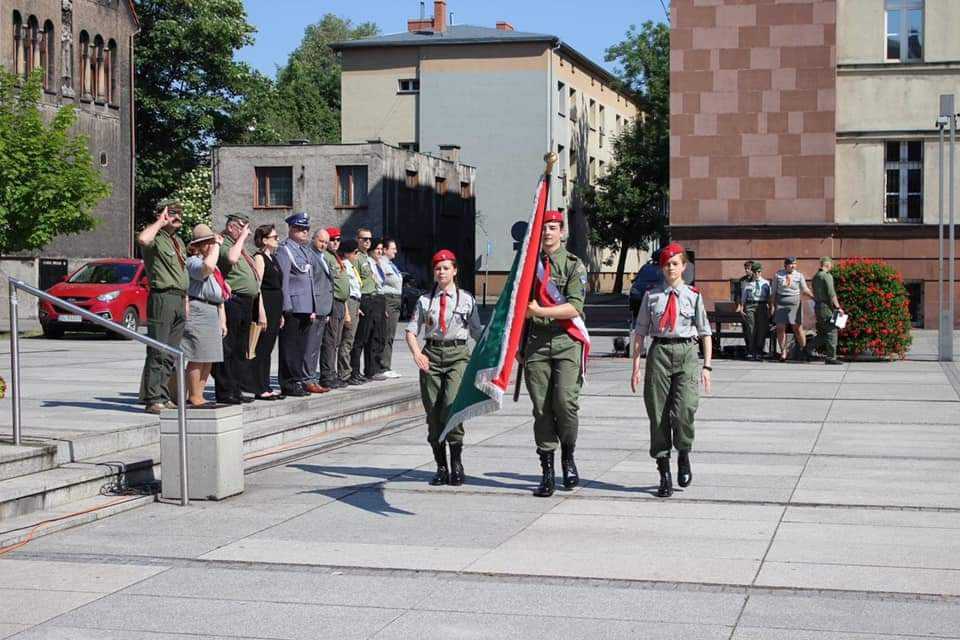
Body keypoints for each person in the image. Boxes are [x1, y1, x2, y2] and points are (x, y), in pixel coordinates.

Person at [631, 242, 713, 498]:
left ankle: (684, 453)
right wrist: (635, 365)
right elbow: (640, 331)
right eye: (667, 264)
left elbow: (705, 332)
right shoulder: (651, 295)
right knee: (658, 414)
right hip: (660, 352)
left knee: (685, 411)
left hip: (687, 352)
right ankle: (663, 471)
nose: (671, 268)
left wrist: (707, 366)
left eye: (675, 264)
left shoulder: (694, 296)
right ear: (661, 267)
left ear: (684, 267)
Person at [523, 210, 589, 498]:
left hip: (566, 341)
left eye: (553, 228)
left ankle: (568, 456)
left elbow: (574, 307)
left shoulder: (575, 266)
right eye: (544, 228)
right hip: (536, 343)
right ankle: (547, 470)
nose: (548, 233)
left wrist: (540, 311)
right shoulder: (528, 266)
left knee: (565, 404)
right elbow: (515, 308)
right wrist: (514, 346)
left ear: (562, 232)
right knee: (541, 409)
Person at [405, 250, 482, 486]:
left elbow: (478, 331)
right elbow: (410, 330)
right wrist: (418, 353)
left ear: (455, 270)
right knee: (434, 412)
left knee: (452, 404)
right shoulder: (424, 300)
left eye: (446, 268)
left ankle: (456, 462)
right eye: (438, 268)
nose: (441, 272)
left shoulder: (466, 299)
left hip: (458, 355)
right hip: (432, 356)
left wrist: (494, 355)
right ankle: (441, 466)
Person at [138, 199, 189, 415]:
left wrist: (185, 302)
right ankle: (153, 398)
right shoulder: (156, 238)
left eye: (179, 214)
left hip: (178, 298)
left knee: (171, 353)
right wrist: (160, 222)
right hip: (162, 297)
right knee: (157, 349)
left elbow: (182, 273)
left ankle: (164, 394)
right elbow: (142, 239)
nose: (178, 218)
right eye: (172, 214)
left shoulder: (177, 241)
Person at [213, 213, 260, 404]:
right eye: (242, 226)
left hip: (246, 302)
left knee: (241, 349)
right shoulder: (225, 243)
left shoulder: (239, 246)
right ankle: (225, 391)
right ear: (231, 227)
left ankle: (237, 388)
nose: (246, 231)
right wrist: (241, 238)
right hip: (233, 301)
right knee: (228, 348)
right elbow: (231, 259)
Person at [276, 213, 324, 396]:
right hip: (293, 306)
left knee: (301, 347)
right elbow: (284, 280)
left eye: (306, 229)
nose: (305, 232)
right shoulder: (285, 249)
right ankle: (289, 383)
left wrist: (312, 307)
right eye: (301, 229)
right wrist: (285, 307)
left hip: (305, 306)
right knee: (290, 347)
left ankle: (298, 380)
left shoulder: (304, 250)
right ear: (291, 229)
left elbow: (310, 280)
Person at [182, 224, 228, 407]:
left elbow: (219, 293)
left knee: (209, 356)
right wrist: (216, 245)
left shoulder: (213, 262)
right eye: (209, 243)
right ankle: (193, 395)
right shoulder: (193, 261)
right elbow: (206, 269)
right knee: (197, 355)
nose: (213, 246)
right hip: (198, 309)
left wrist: (222, 320)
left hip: (212, 309)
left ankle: (199, 394)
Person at [247, 224, 284, 400]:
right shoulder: (259, 257)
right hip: (266, 306)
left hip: (276, 307)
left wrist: (281, 313)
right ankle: (259, 386)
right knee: (261, 348)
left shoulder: (273, 258)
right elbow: (258, 286)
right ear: (264, 240)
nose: (277, 240)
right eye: (274, 237)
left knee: (268, 348)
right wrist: (261, 312)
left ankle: (266, 384)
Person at [350, 228, 387, 383]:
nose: (367, 242)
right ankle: (355, 371)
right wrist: (357, 304)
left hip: (374, 299)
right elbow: (354, 281)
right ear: (357, 239)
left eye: (369, 239)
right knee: (360, 338)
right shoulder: (356, 257)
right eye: (364, 238)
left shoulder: (366, 257)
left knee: (373, 336)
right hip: (364, 299)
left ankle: (370, 370)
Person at [319, 227, 349, 389]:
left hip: (340, 303)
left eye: (338, 240)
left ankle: (332, 372)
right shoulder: (326, 257)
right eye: (332, 240)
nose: (336, 243)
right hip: (332, 302)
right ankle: (327, 375)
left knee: (335, 340)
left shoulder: (335, 256)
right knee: (329, 341)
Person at [305, 228, 334, 392]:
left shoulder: (322, 257)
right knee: (310, 346)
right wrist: (312, 307)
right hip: (314, 309)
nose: (323, 245)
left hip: (323, 308)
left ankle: (311, 378)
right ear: (314, 239)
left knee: (316, 346)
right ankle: (308, 379)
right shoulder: (310, 255)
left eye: (325, 242)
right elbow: (310, 284)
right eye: (321, 241)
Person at [770, 257, 814, 362]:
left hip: (795, 303)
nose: (793, 266)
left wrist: (814, 297)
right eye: (791, 264)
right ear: (785, 265)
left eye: (794, 264)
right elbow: (773, 292)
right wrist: (771, 305)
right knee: (780, 328)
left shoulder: (799, 275)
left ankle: (804, 350)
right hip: (781, 303)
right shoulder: (778, 275)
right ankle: (783, 352)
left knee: (797, 328)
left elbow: (805, 289)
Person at [808, 256, 844, 365]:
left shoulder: (815, 276)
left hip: (818, 306)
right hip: (826, 307)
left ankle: (807, 349)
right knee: (832, 331)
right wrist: (838, 307)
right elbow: (831, 293)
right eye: (831, 265)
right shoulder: (827, 276)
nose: (832, 267)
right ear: (827, 264)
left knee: (823, 333)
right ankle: (831, 357)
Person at [338, 239, 363, 385]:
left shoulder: (351, 266)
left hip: (355, 302)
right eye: (355, 252)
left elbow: (355, 288)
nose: (357, 255)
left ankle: (348, 372)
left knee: (351, 339)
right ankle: (344, 373)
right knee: (346, 340)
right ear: (349, 253)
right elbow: (346, 290)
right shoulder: (345, 266)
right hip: (349, 302)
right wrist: (348, 310)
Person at [378, 238, 404, 378]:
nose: (395, 251)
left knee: (391, 335)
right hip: (388, 300)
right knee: (387, 334)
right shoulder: (381, 264)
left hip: (396, 301)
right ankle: (383, 366)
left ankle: (386, 365)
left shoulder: (391, 264)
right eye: (393, 248)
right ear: (385, 249)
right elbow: (380, 284)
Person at [736, 261, 771, 360]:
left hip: (762, 305)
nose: (757, 274)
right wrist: (742, 308)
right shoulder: (748, 284)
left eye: (759, 272)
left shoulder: (766, 283)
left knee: (761, 329)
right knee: (751, 329)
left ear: (761, 272)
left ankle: (759, 350)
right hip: (750, 305)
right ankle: (752, 350)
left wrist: (771, 308)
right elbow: (743, 297)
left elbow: (769, 297)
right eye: (755, 272)